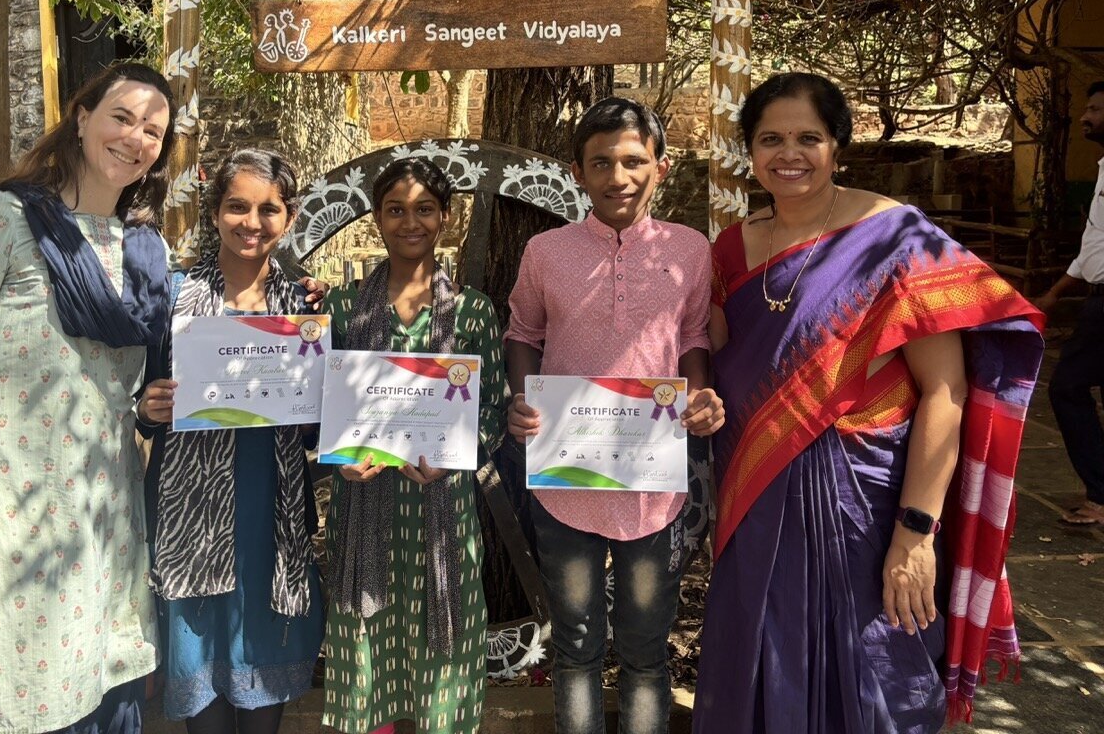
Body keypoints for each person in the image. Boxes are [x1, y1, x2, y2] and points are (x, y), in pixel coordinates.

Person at [692, 73, 1044, 733]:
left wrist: (915, 534)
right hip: (755, 489)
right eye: (770, 139)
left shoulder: (896, 238)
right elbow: (712, 361)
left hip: (864, 502)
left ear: (838, 146)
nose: (788, 154)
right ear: (750, 149)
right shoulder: (732, 247)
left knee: (877, 663)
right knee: (760, 655)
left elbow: (945, 391)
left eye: (808, 138)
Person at [0, 63, 177, 734]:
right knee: (21, 681)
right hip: (13, 503)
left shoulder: (146, 250)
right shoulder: (4, 217)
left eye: (153, 131)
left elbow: (129, 387)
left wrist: (152, 406)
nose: (135, 138)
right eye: (121, 117)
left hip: (104, 505)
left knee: (102, 671)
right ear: (81, 118)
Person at [506, 97, 726, 734]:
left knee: (646, 649)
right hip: (566, 480)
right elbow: (523, 332)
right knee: (576, 647)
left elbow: (693, 337)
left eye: (633, 161)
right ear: (577, 172)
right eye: (601, 163)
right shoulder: (546, 251)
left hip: (652, 483)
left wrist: (700, 394)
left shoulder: (689, 249)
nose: (618, 176)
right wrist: (521, 399)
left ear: (661, 166)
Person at [135, 148, 326, 732]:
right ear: (214, 211)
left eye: (269, 209)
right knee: (200, 657)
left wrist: (319, 405)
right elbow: (136, 396)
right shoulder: (172, 298)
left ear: (289, 218)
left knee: (262, 656)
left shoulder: (305, 309)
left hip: (271, 512)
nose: (252, 222)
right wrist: (147, 408)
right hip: (190, 513)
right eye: (237, 206)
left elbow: (318, 427)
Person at [320, 157, 505, 734]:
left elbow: (492, 412)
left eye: (424, 209)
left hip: (442, 515)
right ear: (377, 218)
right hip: (364, 511)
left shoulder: (472, 311)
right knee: (369, 648)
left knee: (441, 658)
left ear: (445, 216)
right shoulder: (343, 308)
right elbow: (324, 409)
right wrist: (343, 461)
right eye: (395, 210)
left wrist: (452, 458)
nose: (410, 222)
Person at [1033, 80, 1104, 527]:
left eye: (1095, 108)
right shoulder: (1103, 169)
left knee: (1066, 388)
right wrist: (1055, 293)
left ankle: (1100, 495)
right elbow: (1092, 247)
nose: (1084, 116)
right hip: (1097, 301)